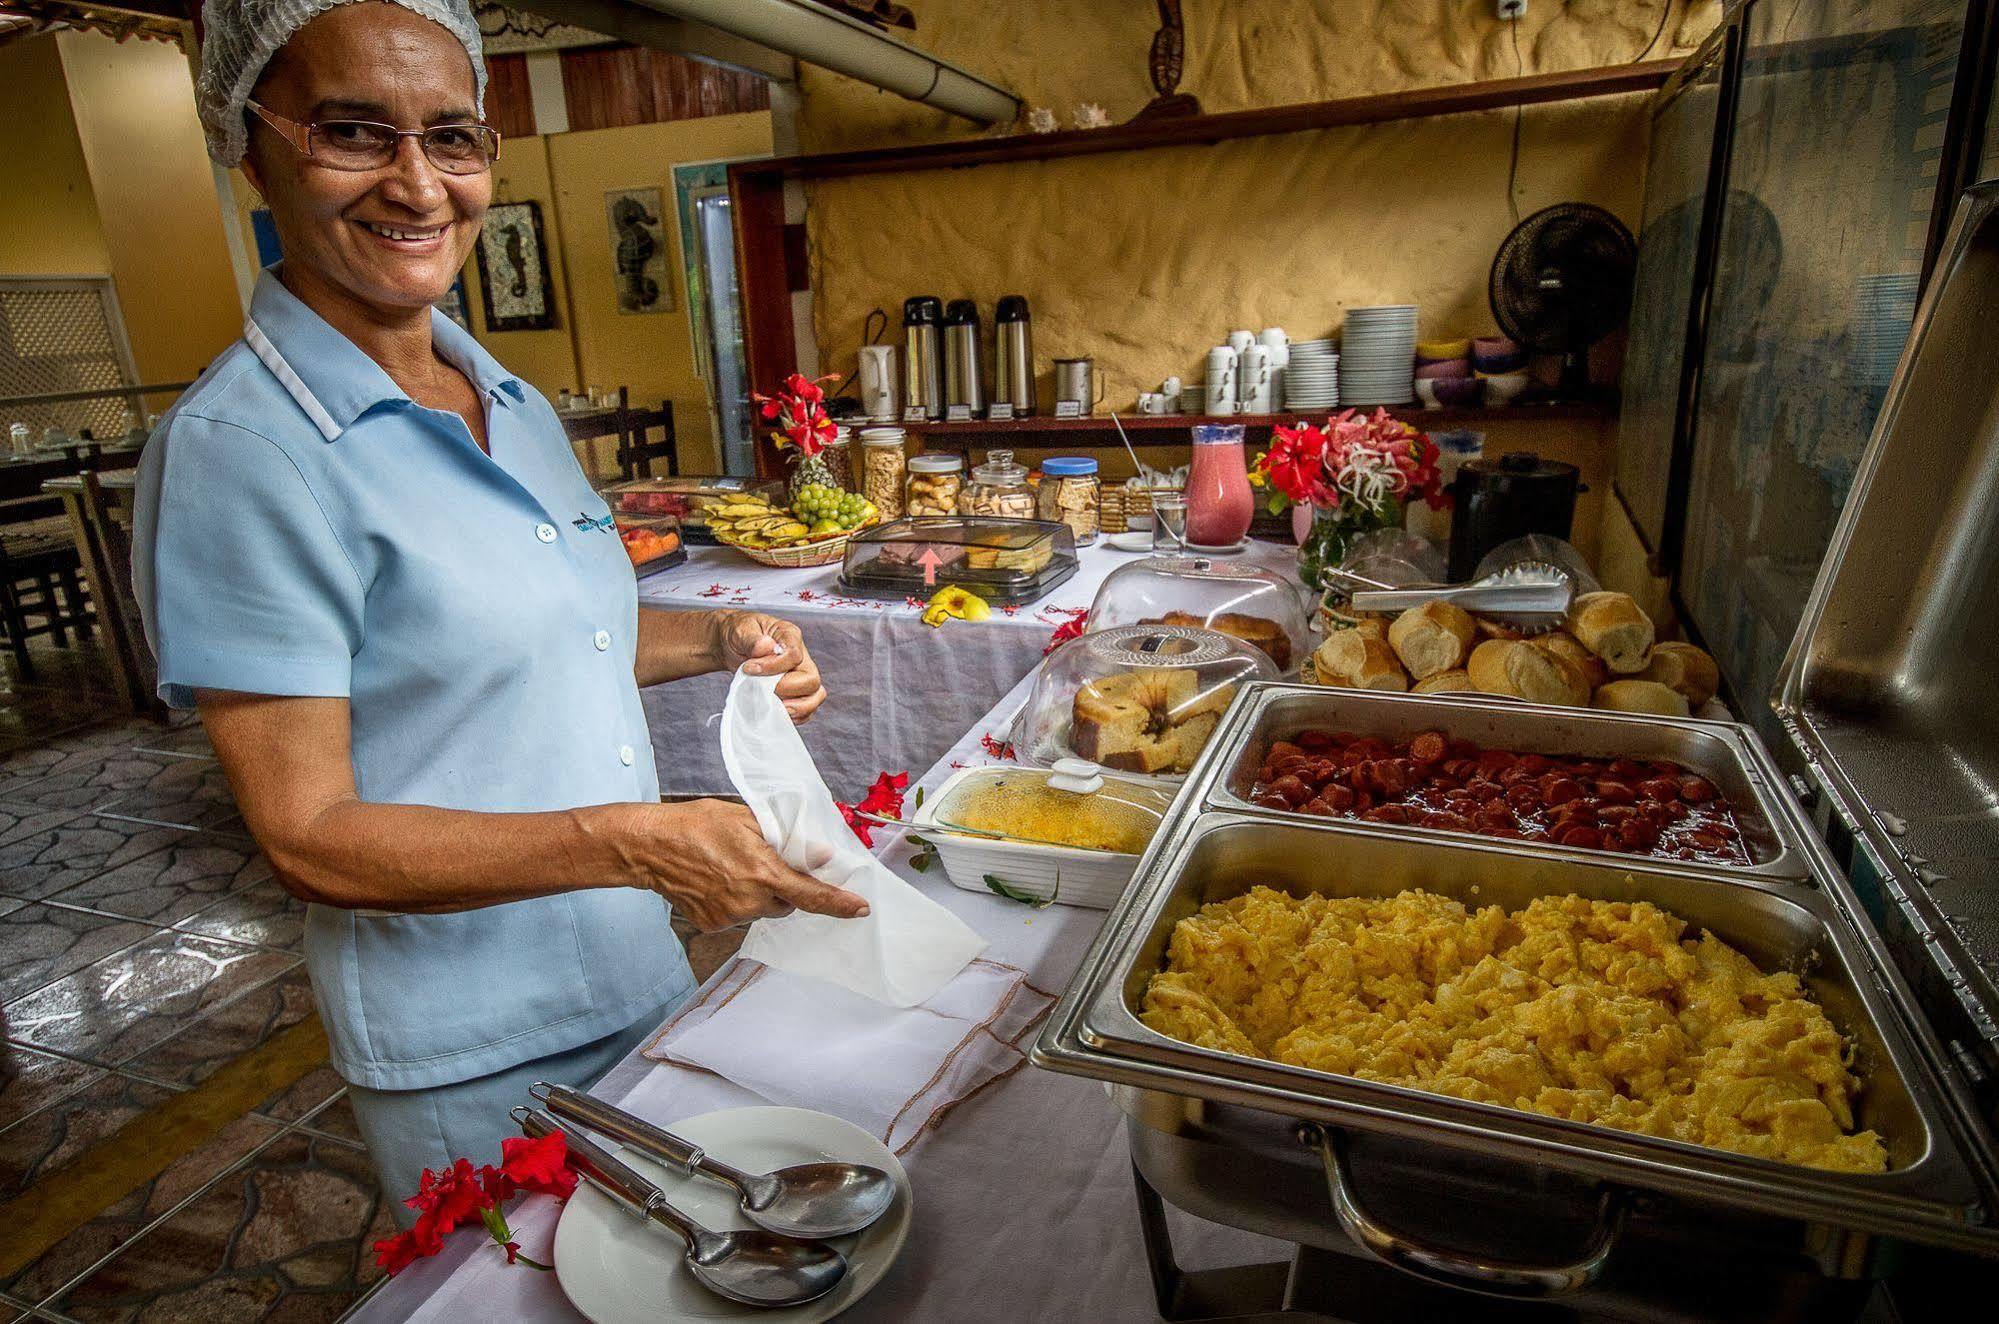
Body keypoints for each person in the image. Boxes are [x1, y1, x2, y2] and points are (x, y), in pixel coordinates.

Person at [135, 0, 866, 1218]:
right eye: (355, 134)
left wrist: (719, 639)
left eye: (453, 137)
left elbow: (550, 635)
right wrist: (635, 839)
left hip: (632, 964)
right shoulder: (244, 449)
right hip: (473, 1039)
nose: (418, 186)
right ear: (249, 144)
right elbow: (307, 830)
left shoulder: (503, 396)